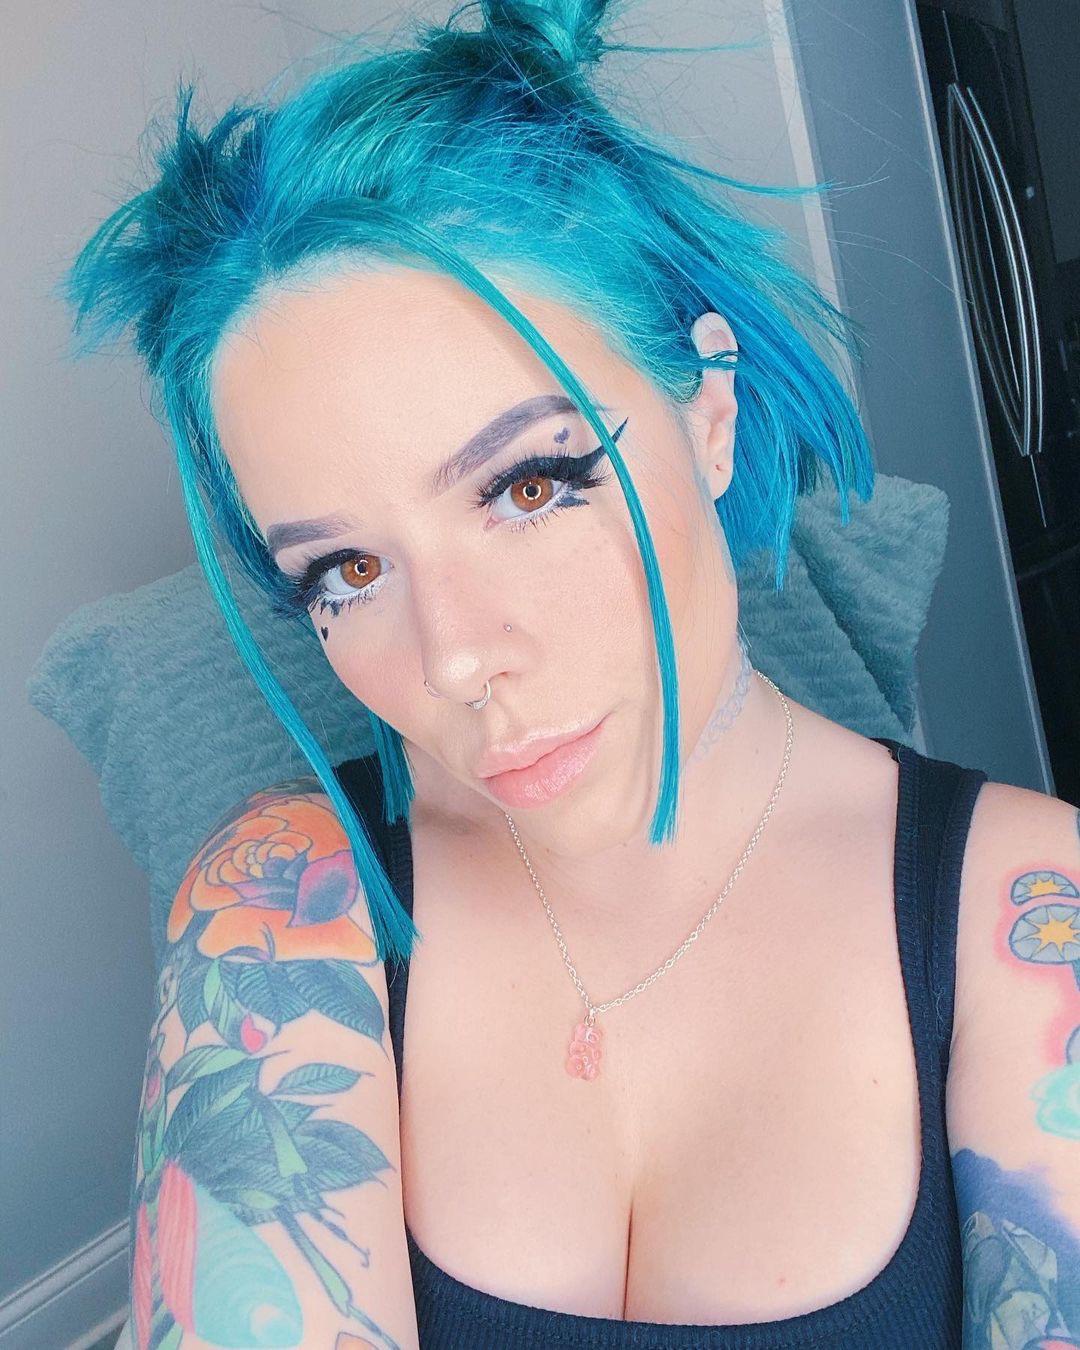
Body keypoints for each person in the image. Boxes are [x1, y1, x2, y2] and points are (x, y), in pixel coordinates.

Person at [64, 2, 1080, 1347]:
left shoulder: (1032, 919)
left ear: (708, 415)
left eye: (530, 484)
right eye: (346, 571)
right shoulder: (276, 913)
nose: (455, 656)